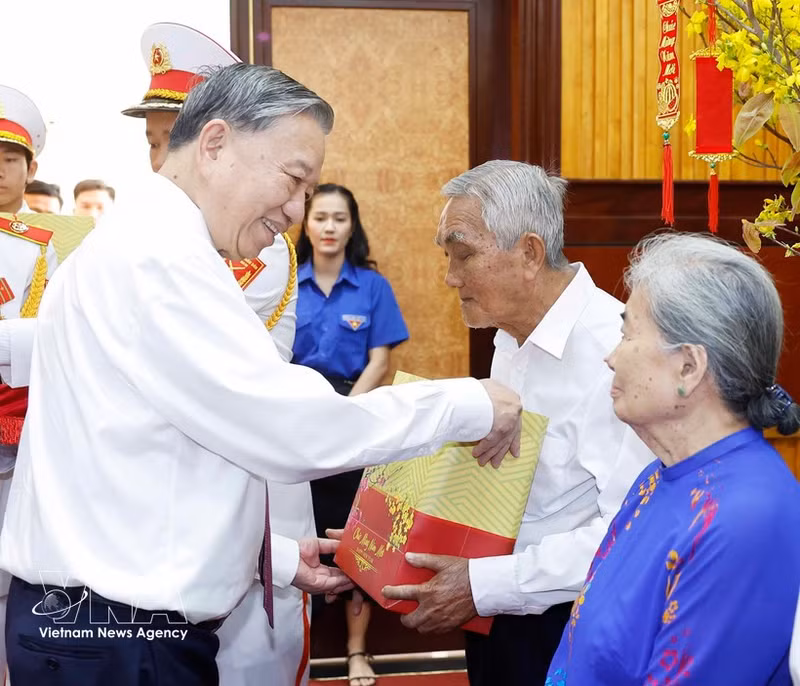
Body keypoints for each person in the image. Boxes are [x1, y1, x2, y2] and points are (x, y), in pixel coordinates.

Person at [0, 64, 522, 686]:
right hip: (119, 638)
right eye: (294, 179)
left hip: (103, 626)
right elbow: (293, 427)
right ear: (216, 144)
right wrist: (472, 404)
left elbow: (142, 468)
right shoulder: (162, 260)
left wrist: (265, 555)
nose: (298, 210)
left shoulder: (143, 243)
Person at [381, 161, 654, 686]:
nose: (449, 276)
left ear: (529, 253)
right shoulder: (510, 334)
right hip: (495, 603)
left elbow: (627, 531)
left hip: (567, 622)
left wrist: (484, 585)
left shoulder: (614, 352)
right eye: (447, 255)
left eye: (464, 255)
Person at [122, 23, 309, 684]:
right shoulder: (155, 242)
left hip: (248, 493)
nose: (156, 166)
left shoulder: (250, 247)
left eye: (167, 143)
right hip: (176, 504)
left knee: (251, 658)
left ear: (216, 146)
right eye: (148, 145)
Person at [545, 232, 800, 685]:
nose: (610, 357)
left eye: (627, 335)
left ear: (688, 367)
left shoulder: (746, 516)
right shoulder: (659, 474)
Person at [294, 184, 409, 686]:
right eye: (320, 217)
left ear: (351, 225)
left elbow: (381, 360)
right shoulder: (282, 283)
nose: (329, 227)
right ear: (306, 223)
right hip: (292, 420)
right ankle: (295, 648)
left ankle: (357, 651)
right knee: (298, 535)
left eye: (339, 218)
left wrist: (342, 413)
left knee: (353, 540)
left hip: (352, 416)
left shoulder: (371, 287)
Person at [0, 84, 58, 678]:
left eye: (9, 159)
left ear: (31, 167)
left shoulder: (50, 244)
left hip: (14, 432)